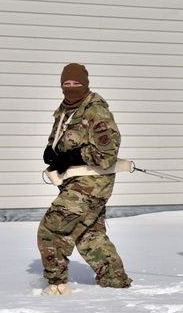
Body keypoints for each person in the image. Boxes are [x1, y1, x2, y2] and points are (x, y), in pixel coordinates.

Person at [38, 63, 131, 295]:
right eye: (66, 84)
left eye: (76, 84)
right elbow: (61, 139)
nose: (71, 88)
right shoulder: (65, 110)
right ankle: (115, 282)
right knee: (89, 235)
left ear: (86, 85)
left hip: (93, 182)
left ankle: (57, 285)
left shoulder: (95, 111)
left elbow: (107, 154)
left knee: (52, 228)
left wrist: (73, 156)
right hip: (74, 181)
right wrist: (53, 151)